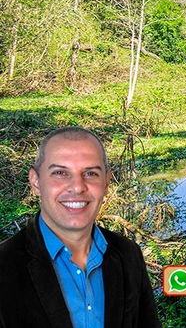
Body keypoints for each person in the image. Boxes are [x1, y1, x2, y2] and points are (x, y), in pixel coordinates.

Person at [0, 127, 161, 328]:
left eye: (90, 173)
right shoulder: (4, 266)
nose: (77, 187)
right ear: (36, 182)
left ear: (106, 183)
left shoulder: (128, 254)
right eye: (60, 172)